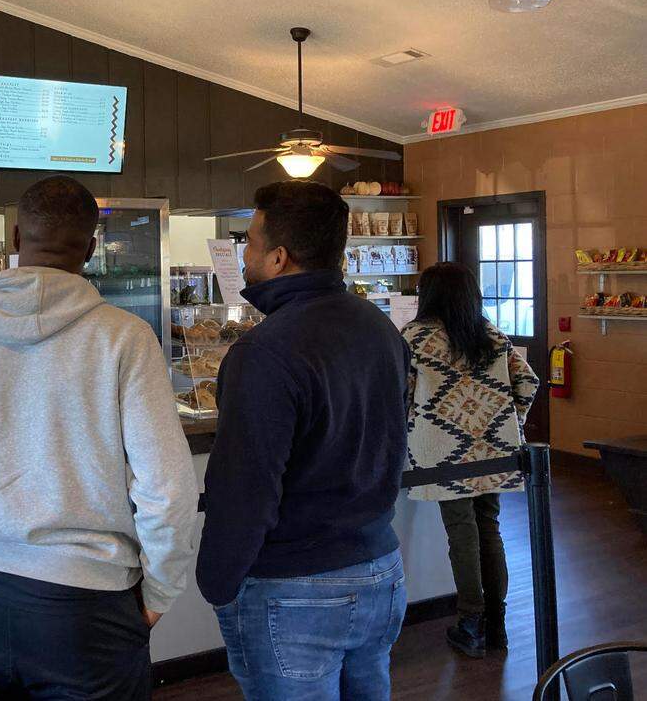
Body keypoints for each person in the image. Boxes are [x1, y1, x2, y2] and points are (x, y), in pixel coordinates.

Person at [0, 176, 198, 701]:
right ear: (92, 248)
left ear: (16, 238)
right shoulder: (124, 337)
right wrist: (159, 591)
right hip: (88, 604)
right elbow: (168, 489)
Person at [197, 180, 411, 701]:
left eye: (249, 242)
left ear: (278, 258)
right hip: (380, 569)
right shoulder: (379, 327)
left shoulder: (263, 351)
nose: (243, 255)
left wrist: (218, 584)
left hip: (294, 587)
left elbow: (245, 489)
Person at [402, 262, 538, 658]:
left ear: (427, 295)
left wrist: (414, 424)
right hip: (493, 450)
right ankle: (497, 626)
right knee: (489, 528)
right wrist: (508, 421)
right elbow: (528, 381)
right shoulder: (489, 333)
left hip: (443, 452)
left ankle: (471, 623)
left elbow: (400, 393)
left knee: (461, 532)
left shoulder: (414, 337)